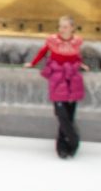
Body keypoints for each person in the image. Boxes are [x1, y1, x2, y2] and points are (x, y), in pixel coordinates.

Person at [30, 15, 86, 159]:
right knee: (61, 113)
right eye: (60, 26)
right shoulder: (53, 41)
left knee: (70, 113)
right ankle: (72, 142)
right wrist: (33, 63)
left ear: (72, 28)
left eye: (65, 27)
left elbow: (76, 57)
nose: (62, 29)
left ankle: (66, 147)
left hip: (72, 78)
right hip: (57, 77)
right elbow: (43, 52)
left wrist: (81, 64)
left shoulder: (76, 42)